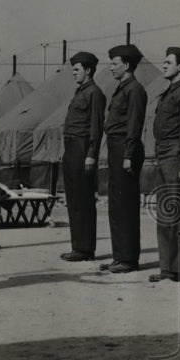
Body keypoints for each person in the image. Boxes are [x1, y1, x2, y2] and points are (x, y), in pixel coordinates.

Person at [150, 47, 180, 282]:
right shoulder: (169, 92)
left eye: (168, 62)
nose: (164, 65)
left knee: (178, 213)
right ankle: (166, 267)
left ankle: (179, 269)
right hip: (162, 152)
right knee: (164, 213)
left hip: (175, 153)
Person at [101, 44, 146, 273]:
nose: (111, 68)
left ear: (126, 65)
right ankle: (119, 256)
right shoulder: (121, 89)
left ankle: (128, 259)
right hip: (115, 148)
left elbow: (134, 125)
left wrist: (128, 154)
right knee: (116, 205)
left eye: (114, 63)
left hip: (125, 150)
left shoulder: (134, 90)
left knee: (126, 205)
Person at [60, 51, 106, 263]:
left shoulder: (94, 93)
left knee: (83, 200)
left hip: (82, 149)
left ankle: (86, 248)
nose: (74, 74)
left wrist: (91, 154)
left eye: (76, 70)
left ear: (88, 70)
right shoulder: (79, 92)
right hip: (70, 149)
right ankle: (77, 246)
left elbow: (96, 127)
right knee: (73, 200)